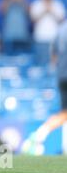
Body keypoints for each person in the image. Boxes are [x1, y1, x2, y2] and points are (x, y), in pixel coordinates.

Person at [21, 18, 67, 155]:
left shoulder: (61, 28)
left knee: (65, 112)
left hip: (61, 75)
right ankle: (40, 134)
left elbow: (53, 55)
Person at [30, 0, 65, 65]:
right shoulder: (37, 3)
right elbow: (33, 20)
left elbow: (62, 21)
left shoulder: (57, 4)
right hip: (40, 38)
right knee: (41, 63)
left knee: (55, 64)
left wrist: (51, 10)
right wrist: (44, 10)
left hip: (55, 38)